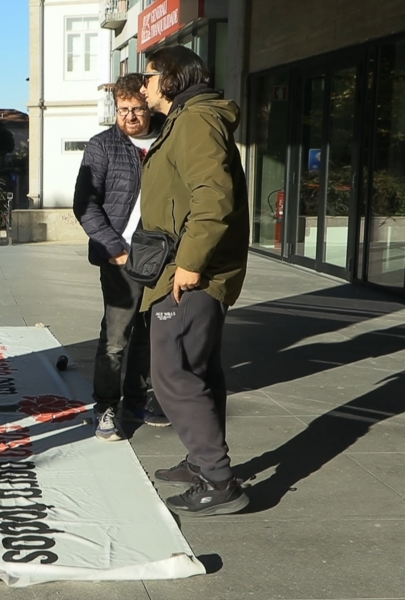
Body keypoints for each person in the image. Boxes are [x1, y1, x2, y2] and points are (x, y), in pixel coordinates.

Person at [138, 46, 250, 516]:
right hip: (188, 267)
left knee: (172, 373)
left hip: (190, 274)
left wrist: (189, 263)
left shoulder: (195, 121)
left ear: (170, 79)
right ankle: (201, 461)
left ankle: (218, 480)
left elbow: (212, 197)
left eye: (147, 77)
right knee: (198, 369)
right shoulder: (188, 118)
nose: (142, 87)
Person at [73, 73, 170, 443]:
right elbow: (85, 204)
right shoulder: (103, 146)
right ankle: (105, 406)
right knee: (116, 337)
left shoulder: (168, 139)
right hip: (120, 256)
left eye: (137, 109)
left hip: (161, 256)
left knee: (150, 334)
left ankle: (136, 400)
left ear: (149, 107)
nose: (129, 117)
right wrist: (114, 248)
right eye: (122, 110)